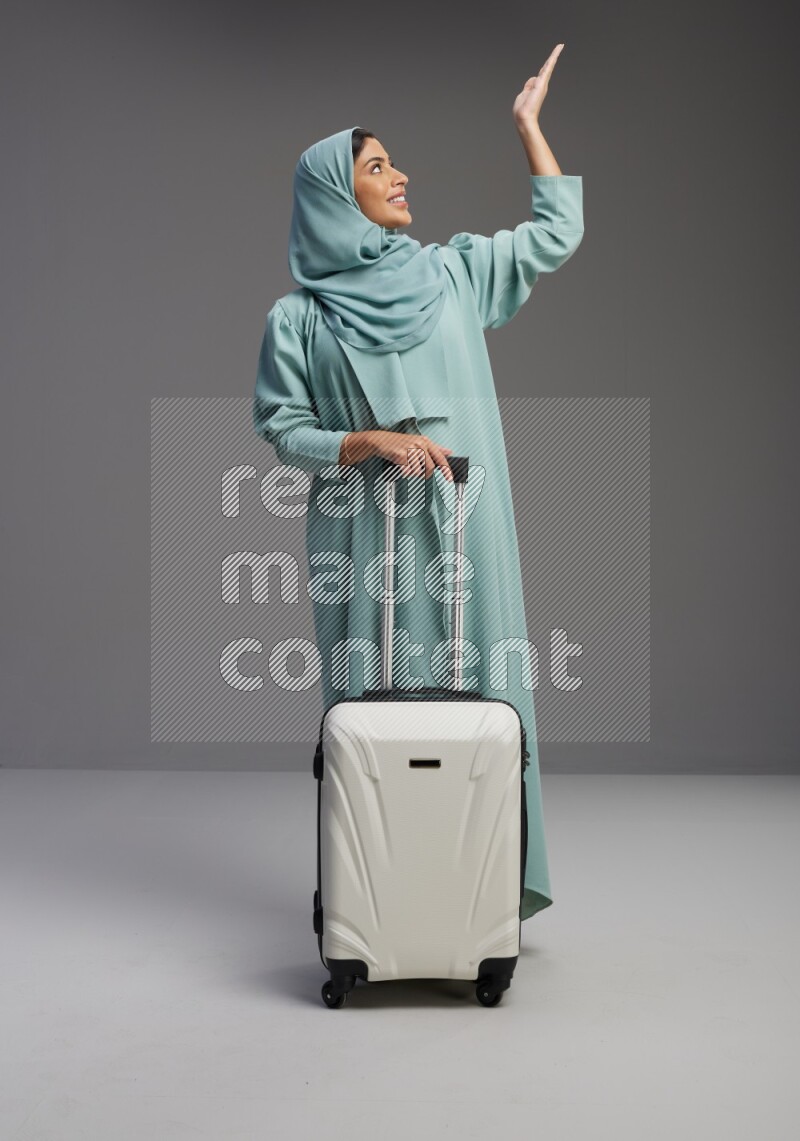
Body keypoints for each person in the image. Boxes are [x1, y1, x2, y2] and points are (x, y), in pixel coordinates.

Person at [253, 44, 584, 921]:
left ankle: (478, 895)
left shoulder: (451, 274)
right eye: (376, 166)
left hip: (468, 526)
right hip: (362, 542)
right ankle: (381, 901)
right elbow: (283, 434)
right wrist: (361, 440)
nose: (401, 175)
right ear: (335, 195)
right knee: (373, 705)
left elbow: (556, 234)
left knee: (484, 694)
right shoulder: (298, 319)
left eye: (393, 161)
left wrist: (528, 126)